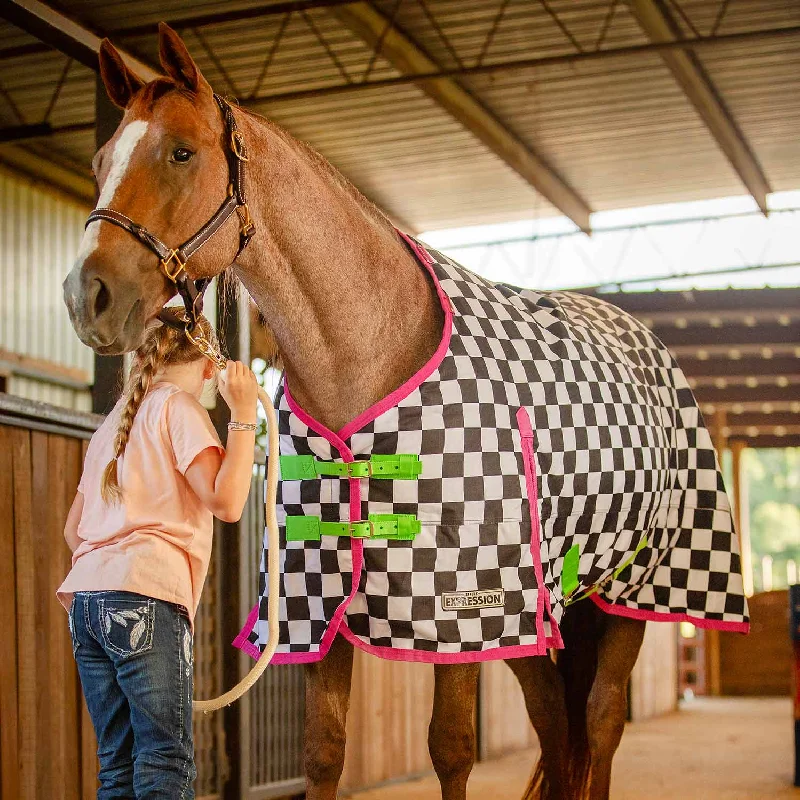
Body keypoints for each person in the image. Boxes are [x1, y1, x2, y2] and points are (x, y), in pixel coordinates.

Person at [57, 315, 258, 799]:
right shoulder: (180, 408)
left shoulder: (112, 424)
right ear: (210, 368)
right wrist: (244, 414)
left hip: (86, 601)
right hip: (145, 594)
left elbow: (72, 530)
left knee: (118, 766)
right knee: (164, 762)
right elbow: (227, 503)